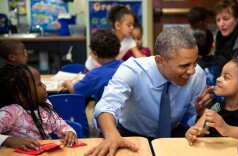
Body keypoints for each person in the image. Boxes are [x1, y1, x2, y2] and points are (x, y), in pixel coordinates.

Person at [84, 26, 214, 156]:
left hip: (174, 133)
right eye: (184, 65)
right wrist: (112, 134)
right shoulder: (133, 70)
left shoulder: (197, 75)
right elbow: (107, 105)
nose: (192, 71)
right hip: (130, 134)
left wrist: (199, 113)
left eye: (195, 63)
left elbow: (192, 119)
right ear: (160, 61)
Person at [186, 49, 238, 146]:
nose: (218, 79)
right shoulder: (215, 105)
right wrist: (192, 132)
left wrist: (228, 129)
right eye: (220, 75)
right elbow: (199, 130)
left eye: (226, 77)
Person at [0, 64, 77, 150]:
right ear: (23, 96)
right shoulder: (10, 113)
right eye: (39, 84)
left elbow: (60, 125)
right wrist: (11, 141)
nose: (44, 86)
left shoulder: (45, 106)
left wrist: (69, 132)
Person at [62, 29, 123, 102]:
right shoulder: (126, 65)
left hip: (106, 112)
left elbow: (74, 91)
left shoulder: (95, 75)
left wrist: (67, 82)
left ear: (94, 53)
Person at [85, 5, 144, 71]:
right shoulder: (106, 37)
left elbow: (139, 56)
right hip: (92, 68)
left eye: (132, 25)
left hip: (107, 70)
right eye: (129, 25)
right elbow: (92, 52)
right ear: (117, 25)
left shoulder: (129, 40)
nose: (132, 28)